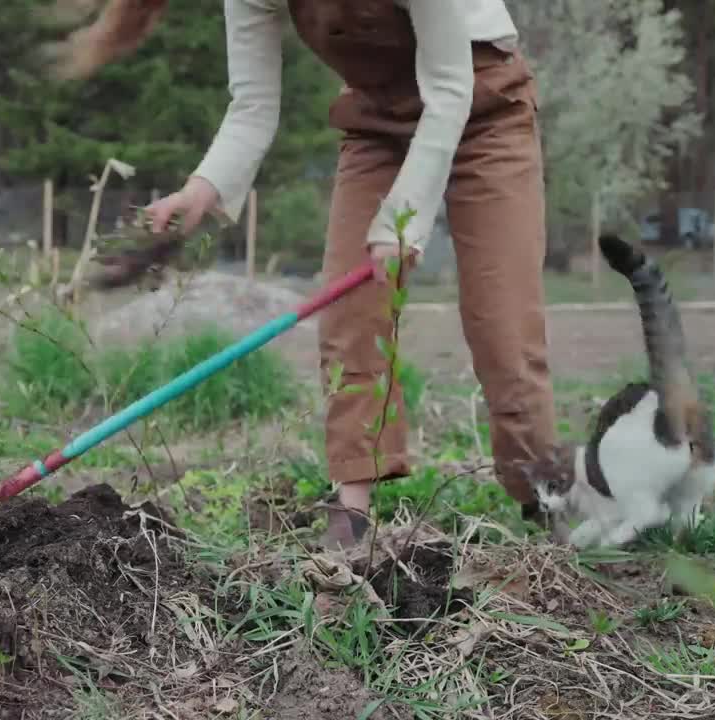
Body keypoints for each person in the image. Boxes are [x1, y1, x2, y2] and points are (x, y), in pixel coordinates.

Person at [52, 0, 558, 549]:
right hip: (378, 126)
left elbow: (450, 91)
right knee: (349, 320)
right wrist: (203, 187)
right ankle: (352, 517)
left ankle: (546, 499)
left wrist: (403, 215)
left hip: (485, 111)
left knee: (501, 324)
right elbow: (251, 106)